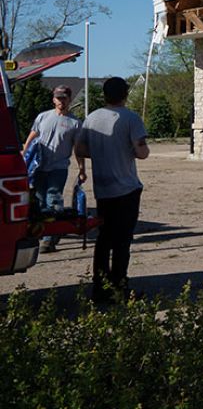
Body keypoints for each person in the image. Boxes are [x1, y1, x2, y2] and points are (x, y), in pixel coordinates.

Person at [74, 77, 149, 305]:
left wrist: (100, 152)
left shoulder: (92, 118)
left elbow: (79, 148)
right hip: (126, 187)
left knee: (104, 239)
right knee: (122, 241)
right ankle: (119, 287)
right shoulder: (131, 118)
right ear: (125, 94)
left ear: (105, 95)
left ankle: (99, 287)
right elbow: (142, 152)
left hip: (103, 188)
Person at [22, 85, 86, 252]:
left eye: (64, 98)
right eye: (58, 98)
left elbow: (77, 149)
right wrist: (24, 154)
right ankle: (43, 233)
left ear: (69, 99)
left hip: (58, 168)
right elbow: (32, 135)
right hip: (39, 167)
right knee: (39, 201)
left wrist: (82, 169)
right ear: (53, 99)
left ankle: (50, 239)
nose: (61, 101)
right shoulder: (43, 117)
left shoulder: (74, 123)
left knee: (53, 199)